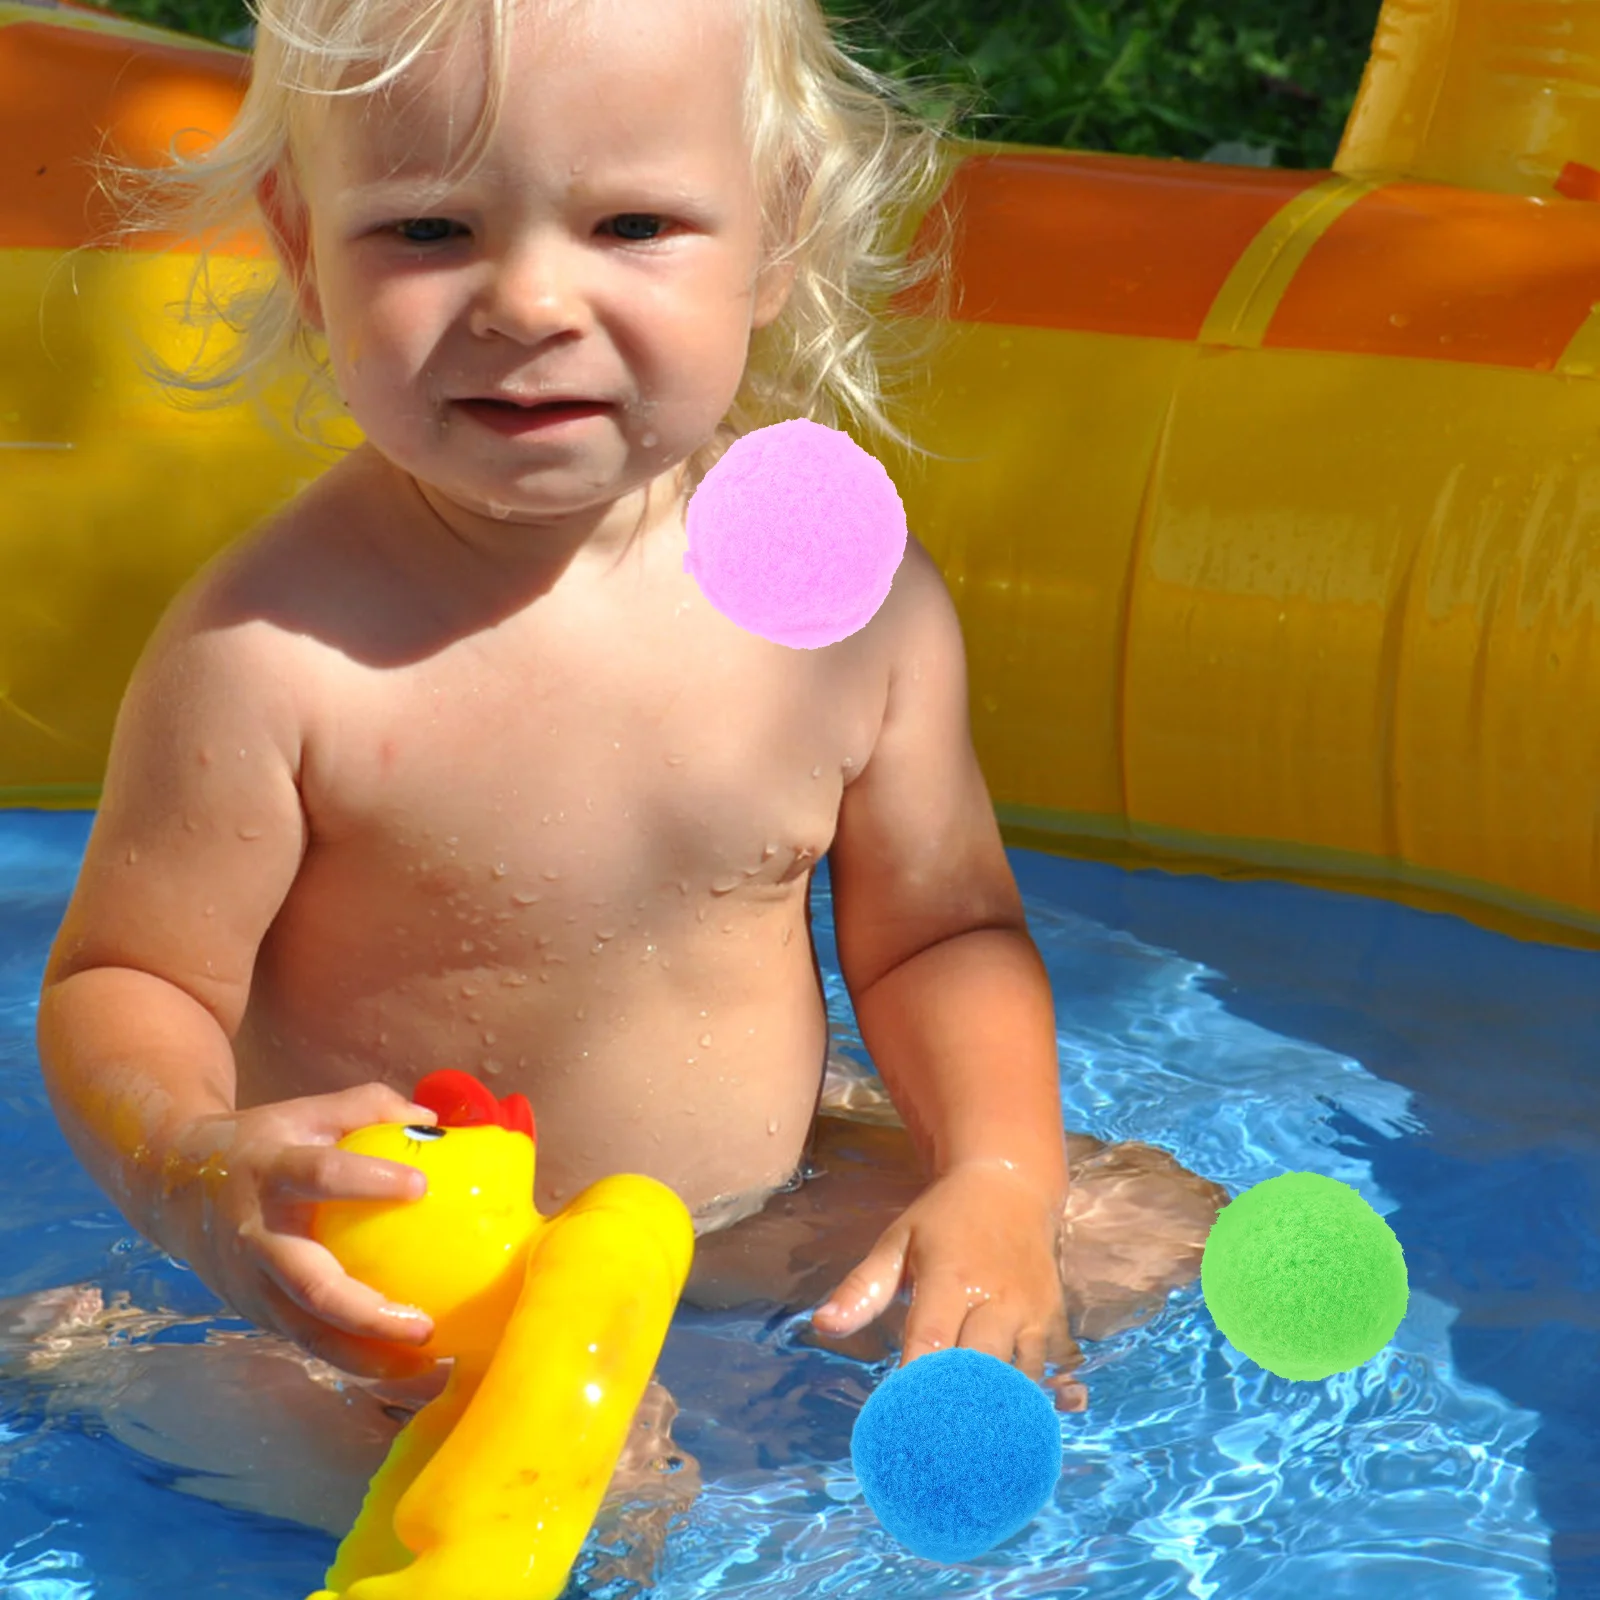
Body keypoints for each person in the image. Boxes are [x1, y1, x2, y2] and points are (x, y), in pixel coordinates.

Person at [33, 0, 1226, 1528]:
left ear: (777, 229)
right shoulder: (274, 653)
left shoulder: (835, 600)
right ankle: (111, 1361)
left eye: (634, 221)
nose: (529, 299)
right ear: (299, 249)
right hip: (427, 1274)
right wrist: (202, 1176)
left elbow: (942, 931)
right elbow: (127, 981)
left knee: (1154, 1235)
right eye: (426, 227)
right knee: (580, 1491)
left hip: (755, 1197)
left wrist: (996, 1179)